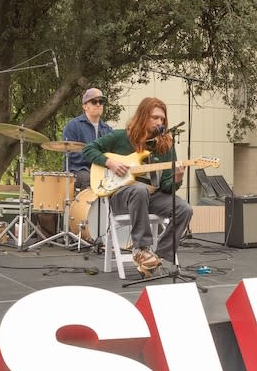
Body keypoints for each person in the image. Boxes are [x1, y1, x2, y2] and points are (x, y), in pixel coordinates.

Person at [80, 97, 193, 278]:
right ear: (143, 117)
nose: (160, 122)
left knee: (184, 208)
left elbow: (165, 186)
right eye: (155, 117)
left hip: (152, 197)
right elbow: (88, 149)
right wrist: (110, 163)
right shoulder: (121, 137)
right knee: (139, 189)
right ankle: (141, 249)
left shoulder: (165, 146)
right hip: (122, 196)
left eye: (162, 119)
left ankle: (157, 258)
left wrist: (177, 178)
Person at [64, 88, 114, 190]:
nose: (98, 104)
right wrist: (98, 160)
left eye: (101, 102)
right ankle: (86, 206)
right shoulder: (73, 125)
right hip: (77, 170)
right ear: (85, 106)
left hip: (101, 169)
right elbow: (72, 155)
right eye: (94, 101)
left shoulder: (107, 129)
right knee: (88, 178)